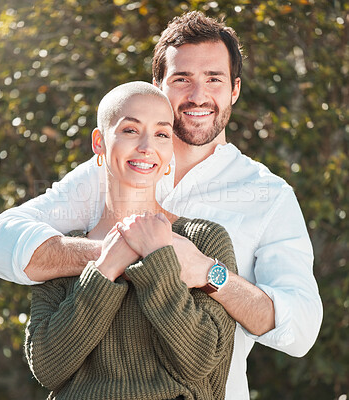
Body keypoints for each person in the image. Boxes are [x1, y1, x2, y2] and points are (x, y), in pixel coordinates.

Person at [0, 11, 323, 399]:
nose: (198, 95)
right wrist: (113, 253)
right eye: (182, 79)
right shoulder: (107, 172)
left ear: (235, 89)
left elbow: (303, 330)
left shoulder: (268, 195)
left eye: (214, 79)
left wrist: (211, 275)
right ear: (158, 86)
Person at [25, 81, 237, 400]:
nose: (146, 146)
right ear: (99, 142)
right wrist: (104, 268)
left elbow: (201, 363)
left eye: (162, 134)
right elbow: (47, 368)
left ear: (170, 152)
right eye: (130, 130)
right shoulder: (62, 251)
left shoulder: (205, 240)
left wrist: (158, 259)